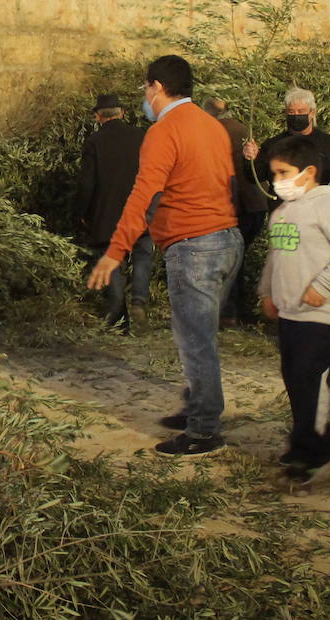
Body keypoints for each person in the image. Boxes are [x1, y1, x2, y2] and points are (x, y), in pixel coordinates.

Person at [88, 55, 241, 457]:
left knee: (196, 341)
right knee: (199, 336)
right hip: (227, 240)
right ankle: (198, 407)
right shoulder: (212, 127)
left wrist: (114, 252)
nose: (144, 96)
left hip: (195, 247)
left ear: (156, 87)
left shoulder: (163, 131)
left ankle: (204, 430)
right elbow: (225, 181)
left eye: (145, 88)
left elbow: (143, 195)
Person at [258, 136, 330, 482]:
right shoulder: (282, 212)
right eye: (274, 174)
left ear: (308, 172)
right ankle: (314, 441)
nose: (277, 180)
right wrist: (267, 292)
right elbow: (275, 257)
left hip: (327, 311)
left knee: (311, 374)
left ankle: (313, 449)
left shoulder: (329, 205)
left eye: (284, 172)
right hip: (292, 311)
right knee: (295, 375)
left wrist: (322, 286)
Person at [77, 93, 152, 333]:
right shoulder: (141, 136)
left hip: (108, 213)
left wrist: (82, 212)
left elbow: (87, 183)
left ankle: (119, 319)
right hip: (141, 209)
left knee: (113, 260)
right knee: (142, 254)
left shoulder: (94, 142)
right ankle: (139, 299)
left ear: (98, 117)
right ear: (122, 113)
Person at [204, 98, 270, 326]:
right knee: (238, 259)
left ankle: (229, 312)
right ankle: (239, 309)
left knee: (229, 260)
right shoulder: (243, 129)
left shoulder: (213, 133)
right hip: (256, 205)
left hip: (235, 207)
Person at [246, 88, 330, 193]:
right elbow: (255, 177)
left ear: (312, 113)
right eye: (291, 112)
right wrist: (250, 159)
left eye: (301, 111)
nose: (296, 116)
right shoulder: (273, 145)